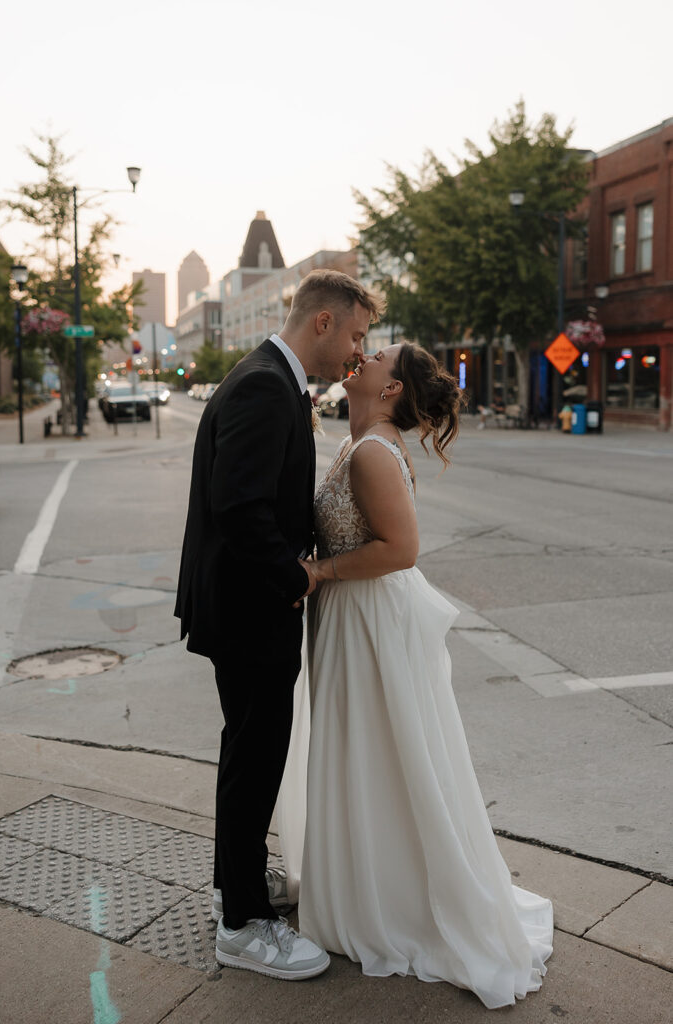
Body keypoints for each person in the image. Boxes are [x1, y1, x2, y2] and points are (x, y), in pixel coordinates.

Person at [278, 342, 553, 1008]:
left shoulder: (374, 451)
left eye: (372, 357)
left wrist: (318, 571)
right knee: (369, 749)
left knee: (383, 748)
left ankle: (392, 900)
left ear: (392, 386)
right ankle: (365, 878)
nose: (359, 356)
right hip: (352, 615)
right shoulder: (363, 438)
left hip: (368, 612)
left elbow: (399, 550)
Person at [174, 269, 383, 980]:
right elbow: (239, 510)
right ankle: (241, 925)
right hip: (249, 607)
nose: (356, 353)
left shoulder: (268, 378)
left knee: (248, 752)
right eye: (353, 335)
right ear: (321, 322)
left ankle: (231, 882)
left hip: (241, 604)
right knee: (255, 756)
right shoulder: (266, 384)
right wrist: (296, 576)